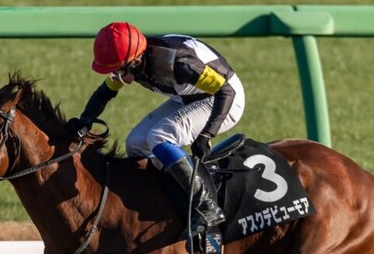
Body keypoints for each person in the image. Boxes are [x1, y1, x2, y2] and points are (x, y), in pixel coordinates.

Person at [69, 21, 245, 235]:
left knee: (160, 136)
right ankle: (156, 204)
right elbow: (104, 93)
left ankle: (206, 206)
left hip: (223, 101)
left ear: (134, 61)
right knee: (136, 142)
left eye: (118, 70)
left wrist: (207, 133)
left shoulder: (180, 63)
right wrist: (85, 120)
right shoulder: (132, 57)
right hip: (188, 98)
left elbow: (225, 92)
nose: (116, 75)